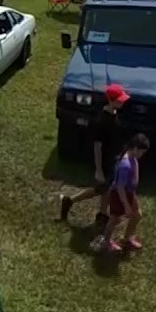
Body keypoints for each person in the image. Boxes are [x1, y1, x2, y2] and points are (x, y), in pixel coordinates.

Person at [58, 84, 128, 228]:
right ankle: (72, 201)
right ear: (111, 100)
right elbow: (97, 146)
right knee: (103, 188)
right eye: (120, 100)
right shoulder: (103, 120)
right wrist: (99, 169)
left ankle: (100, 214)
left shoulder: (113, 114)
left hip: (113, 158)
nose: (123, 102)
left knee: (105, 188)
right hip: (105, 161)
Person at [92, 134, 148, 254]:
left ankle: (126, 239)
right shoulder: (125, 165)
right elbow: (120, 187)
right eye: (141, 152)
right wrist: (126, 205)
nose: (141, 155)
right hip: (119, 195)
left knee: (137, 214)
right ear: (135, 148)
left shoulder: (132, 157)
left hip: (129, 193)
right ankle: (106, 242)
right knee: (114, 220)